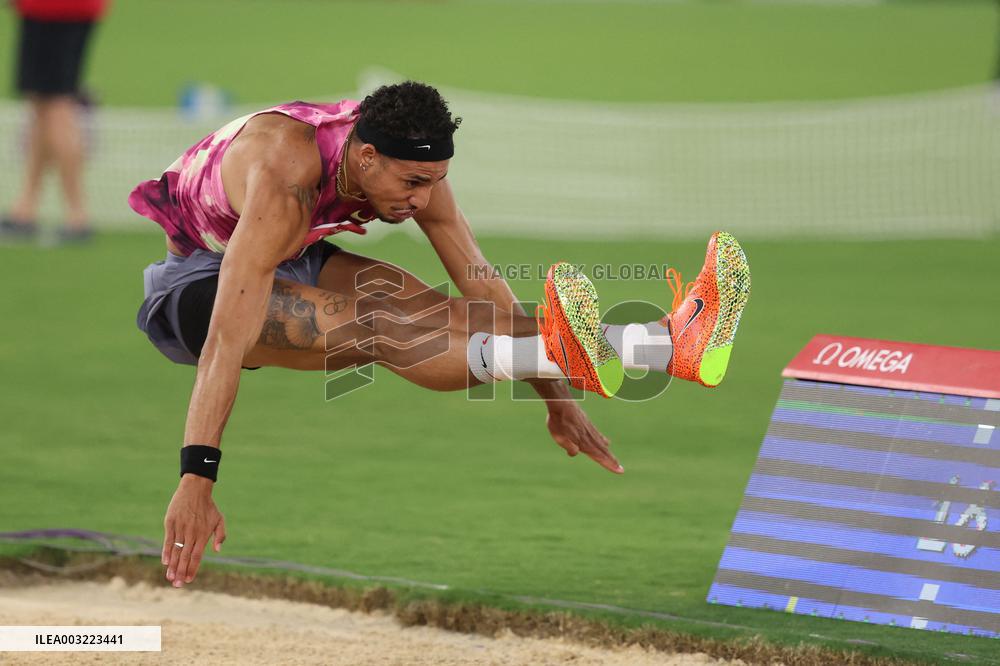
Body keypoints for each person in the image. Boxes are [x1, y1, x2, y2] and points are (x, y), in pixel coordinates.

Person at [128, 82, 751, 589]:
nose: (423, 198)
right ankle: (612, 346)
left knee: (425, 307)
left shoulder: (405, 161)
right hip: (192, 292)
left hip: (289, 255)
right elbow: (223, 345)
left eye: (434, 181)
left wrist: (557, 398)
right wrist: (195, 478)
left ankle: (671, 345)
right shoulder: (282, 181)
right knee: (383, 326)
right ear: (365, 158)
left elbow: (483, 291)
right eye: (412, 184)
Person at [1, 0, 108, 242]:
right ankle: (26, 207)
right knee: (42, 102)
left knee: (56, 103)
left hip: (51, 9)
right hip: (68, 9)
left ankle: (77, 214)